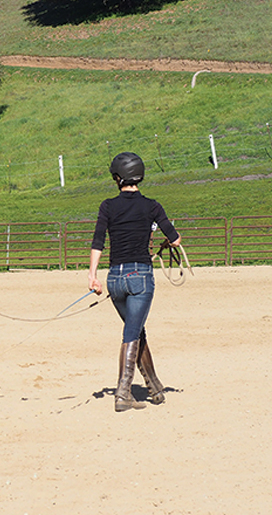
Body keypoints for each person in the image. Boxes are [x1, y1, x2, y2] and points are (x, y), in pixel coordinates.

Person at [88, 152, 181, 412]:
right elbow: (174, 239)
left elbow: (98, 242)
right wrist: (170, 240)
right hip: (140, 277)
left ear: (118, 178)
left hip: (115, 278)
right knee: (132, 333)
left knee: (136, 331)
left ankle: (155, 387)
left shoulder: (107, 206)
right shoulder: (152, 206)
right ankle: (123, 393)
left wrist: (92, 275)